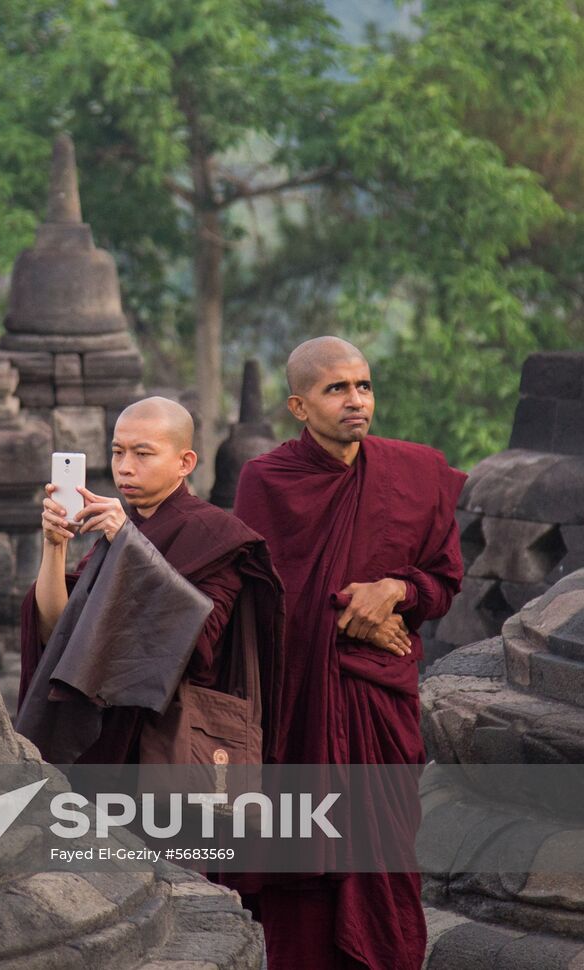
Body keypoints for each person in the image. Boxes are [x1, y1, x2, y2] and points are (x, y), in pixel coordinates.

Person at [233, 336, 466, 970]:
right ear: (299, 406)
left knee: (386, 866)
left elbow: (443, 582)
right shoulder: (267, 482)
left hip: (377, 705)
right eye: (336, 389)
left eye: (363, 386)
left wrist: (395, 591)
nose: (355, 400)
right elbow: (253, 607)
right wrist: (348, 620)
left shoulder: (413, 472)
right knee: (300, 883)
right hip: (297, 715)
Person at [15, 397, 284, 768]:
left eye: (143, 454)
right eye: (117, 452)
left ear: (185, 463)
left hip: (168, 742)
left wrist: (128, 541)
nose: (125, 467)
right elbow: (58, 631)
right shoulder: (123, 533)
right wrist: (55, 546)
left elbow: (198, 642)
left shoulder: (217, 535)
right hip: (105, 734)